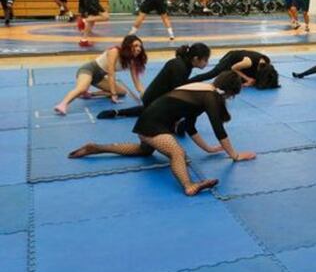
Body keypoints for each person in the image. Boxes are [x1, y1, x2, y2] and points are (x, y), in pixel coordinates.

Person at [68, 71, 255, 196]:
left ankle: (96, 147)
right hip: (154, 125)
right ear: (230, 91)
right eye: (233, 95)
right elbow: (218, 128)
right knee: (178, 153)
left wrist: (208, 149)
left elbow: (190, 126)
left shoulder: (202, 89)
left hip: (148, 121)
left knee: (144, 151)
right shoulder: (211, 96)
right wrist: (235, 156)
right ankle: (189, 186)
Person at [97, 43, 211, 119]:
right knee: (197, 103)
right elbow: (178, 93)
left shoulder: (184, 64)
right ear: (196, 59)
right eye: (205, 60)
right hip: (154, 100)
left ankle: (118, 113)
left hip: (154, 98)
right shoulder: (180, 66)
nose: (207, 63)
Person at [53, 34, 148, 115]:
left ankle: (90, 94)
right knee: (82, 88)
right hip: (89, 70)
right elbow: (111, 73)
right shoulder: (115, 51)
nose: (139, 49)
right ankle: (62, 104)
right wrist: (113, 94)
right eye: (135, 46)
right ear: (128, 45)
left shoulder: (131, 61)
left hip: (99, 77)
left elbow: (136, 80)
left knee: (122, 92)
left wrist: (144, 94)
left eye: (140, 46)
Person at [188, 49, 279, 89]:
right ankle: (187, 82)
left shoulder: (267, 63)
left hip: (242, 65)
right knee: (211, 74)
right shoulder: (248, 62)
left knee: (249, 81)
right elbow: (233, 68)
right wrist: (248, 79)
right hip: (231, 60)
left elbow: (270, 74)